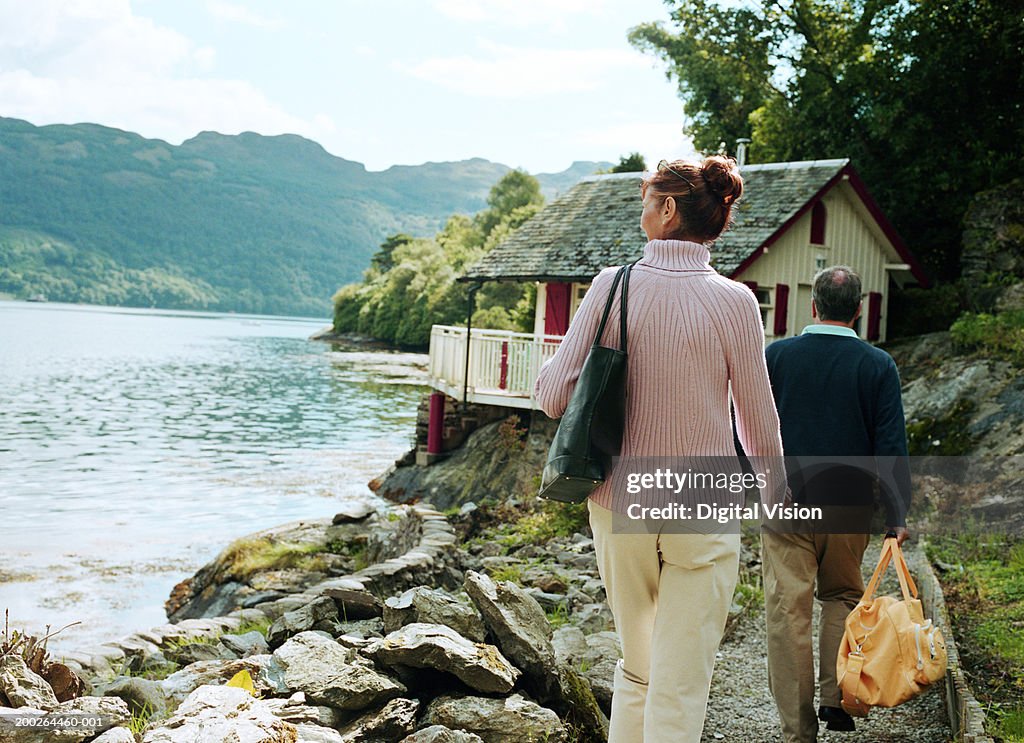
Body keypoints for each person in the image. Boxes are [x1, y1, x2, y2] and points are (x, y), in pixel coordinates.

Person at [534, 157, 786, 742]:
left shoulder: (610, 287)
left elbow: (552, 397)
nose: (641, 210)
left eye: (646, 199)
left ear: (668, 210)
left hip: (621, 499)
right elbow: (756, 417)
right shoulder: (736, 302)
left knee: (640, 663)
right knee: (682, 673)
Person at [760, 265, 912, 743]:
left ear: (813, 305)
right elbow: (891, 444)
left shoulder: (776, 357)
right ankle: (835, 696)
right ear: (860, 310)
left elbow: (748, 427)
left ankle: (798, 732)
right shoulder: (877, 365)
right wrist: (897, 514)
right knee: (842, 598)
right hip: (848, 506)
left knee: (789, 613)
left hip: (786, 503)